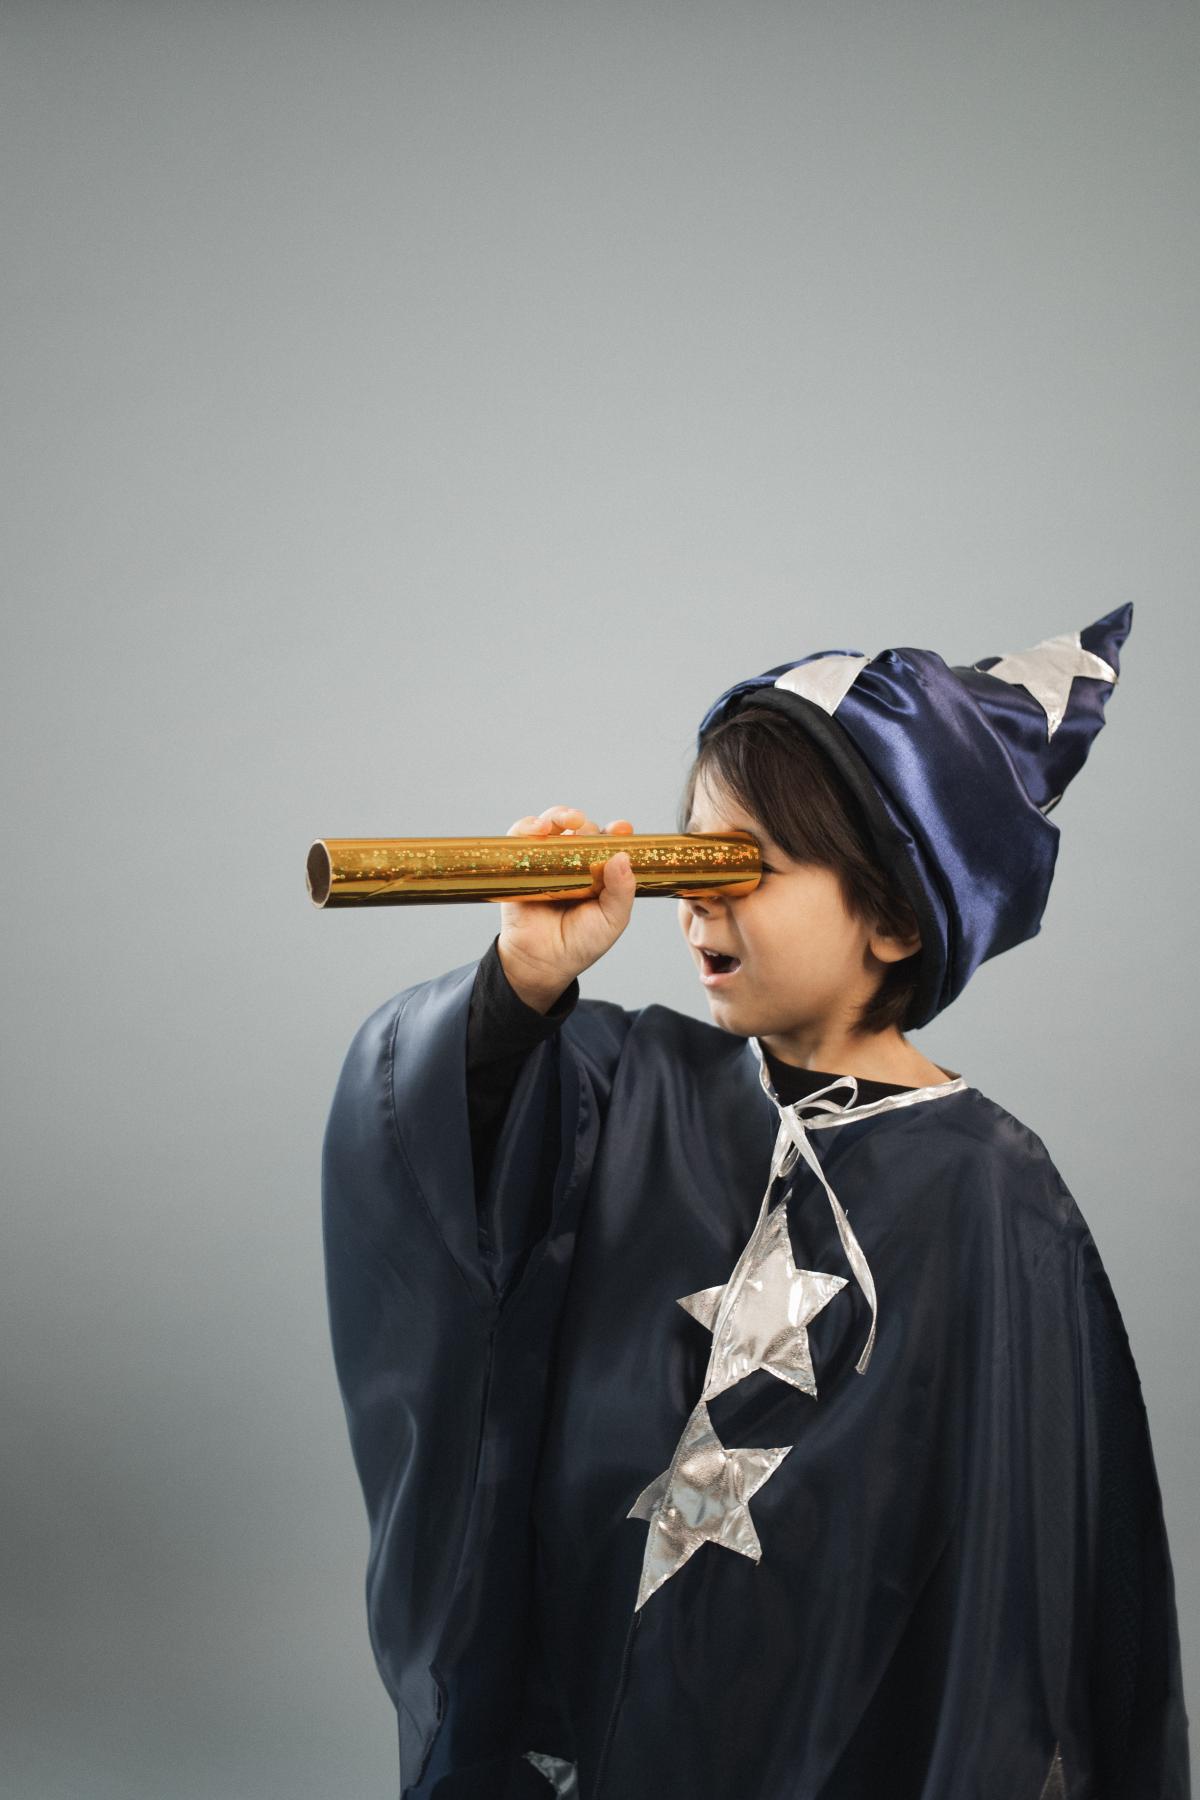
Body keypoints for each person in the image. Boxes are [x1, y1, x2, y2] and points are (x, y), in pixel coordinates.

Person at [321, 602, 1190, 1799]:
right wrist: (525, 977)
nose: (698, 901)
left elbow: (1020, 1570)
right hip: (604, 1710)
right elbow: (445, 1174)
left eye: (746, 867)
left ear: (894, 914)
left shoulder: (995, 1191)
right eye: (687, 854)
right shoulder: (626, 1088)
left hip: (848, 1729)